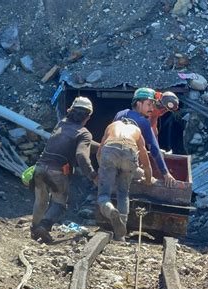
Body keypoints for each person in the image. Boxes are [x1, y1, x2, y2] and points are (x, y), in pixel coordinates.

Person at [31, 96, 98, 243]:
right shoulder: (84, 133)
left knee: (40, 201)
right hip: (58, 172)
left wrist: (102, 147)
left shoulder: (61, 123)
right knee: (59, 204)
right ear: (88, 117)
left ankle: (34, 229)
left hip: (40, 167)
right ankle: (44, 226)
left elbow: (81, 142)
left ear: (70, 111)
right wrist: (92, 175)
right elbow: (81, 154)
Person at [97, 119, 153, 241]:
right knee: (123, 193)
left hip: (110, 150)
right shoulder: (137, 131)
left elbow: (99, 153)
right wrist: (148, 180)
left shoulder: (111, 126)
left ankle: (110, 209)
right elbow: (145, 160)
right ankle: (120, 235)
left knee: (104, 194)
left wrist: (103, 173)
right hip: (130, 152)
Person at [114, 87, 176, 188]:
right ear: (139, 104)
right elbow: (154, 149)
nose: (151, 108)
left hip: (110, 159)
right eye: (149, 104)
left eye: (152, 105)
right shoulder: (143, 120)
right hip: (125, 162)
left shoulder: (120, 114)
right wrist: (165, 173)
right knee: (149, 180)